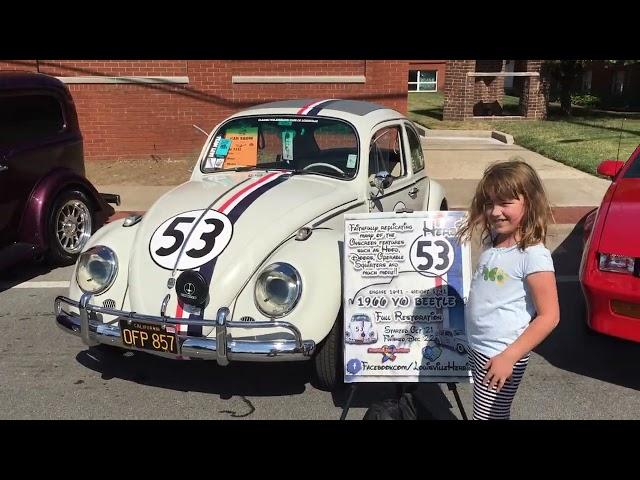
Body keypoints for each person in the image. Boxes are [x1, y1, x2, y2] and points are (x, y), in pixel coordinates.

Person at [456, 160, 560, 420]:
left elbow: (549, 316)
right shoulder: (496, 242)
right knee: (486, 413)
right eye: (490, 203)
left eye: (505, 203)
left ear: (530, 203)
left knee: (490, 417)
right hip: (481, 348)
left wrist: (509, 357)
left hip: (501, 353)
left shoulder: (533, 255)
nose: (495, 212)